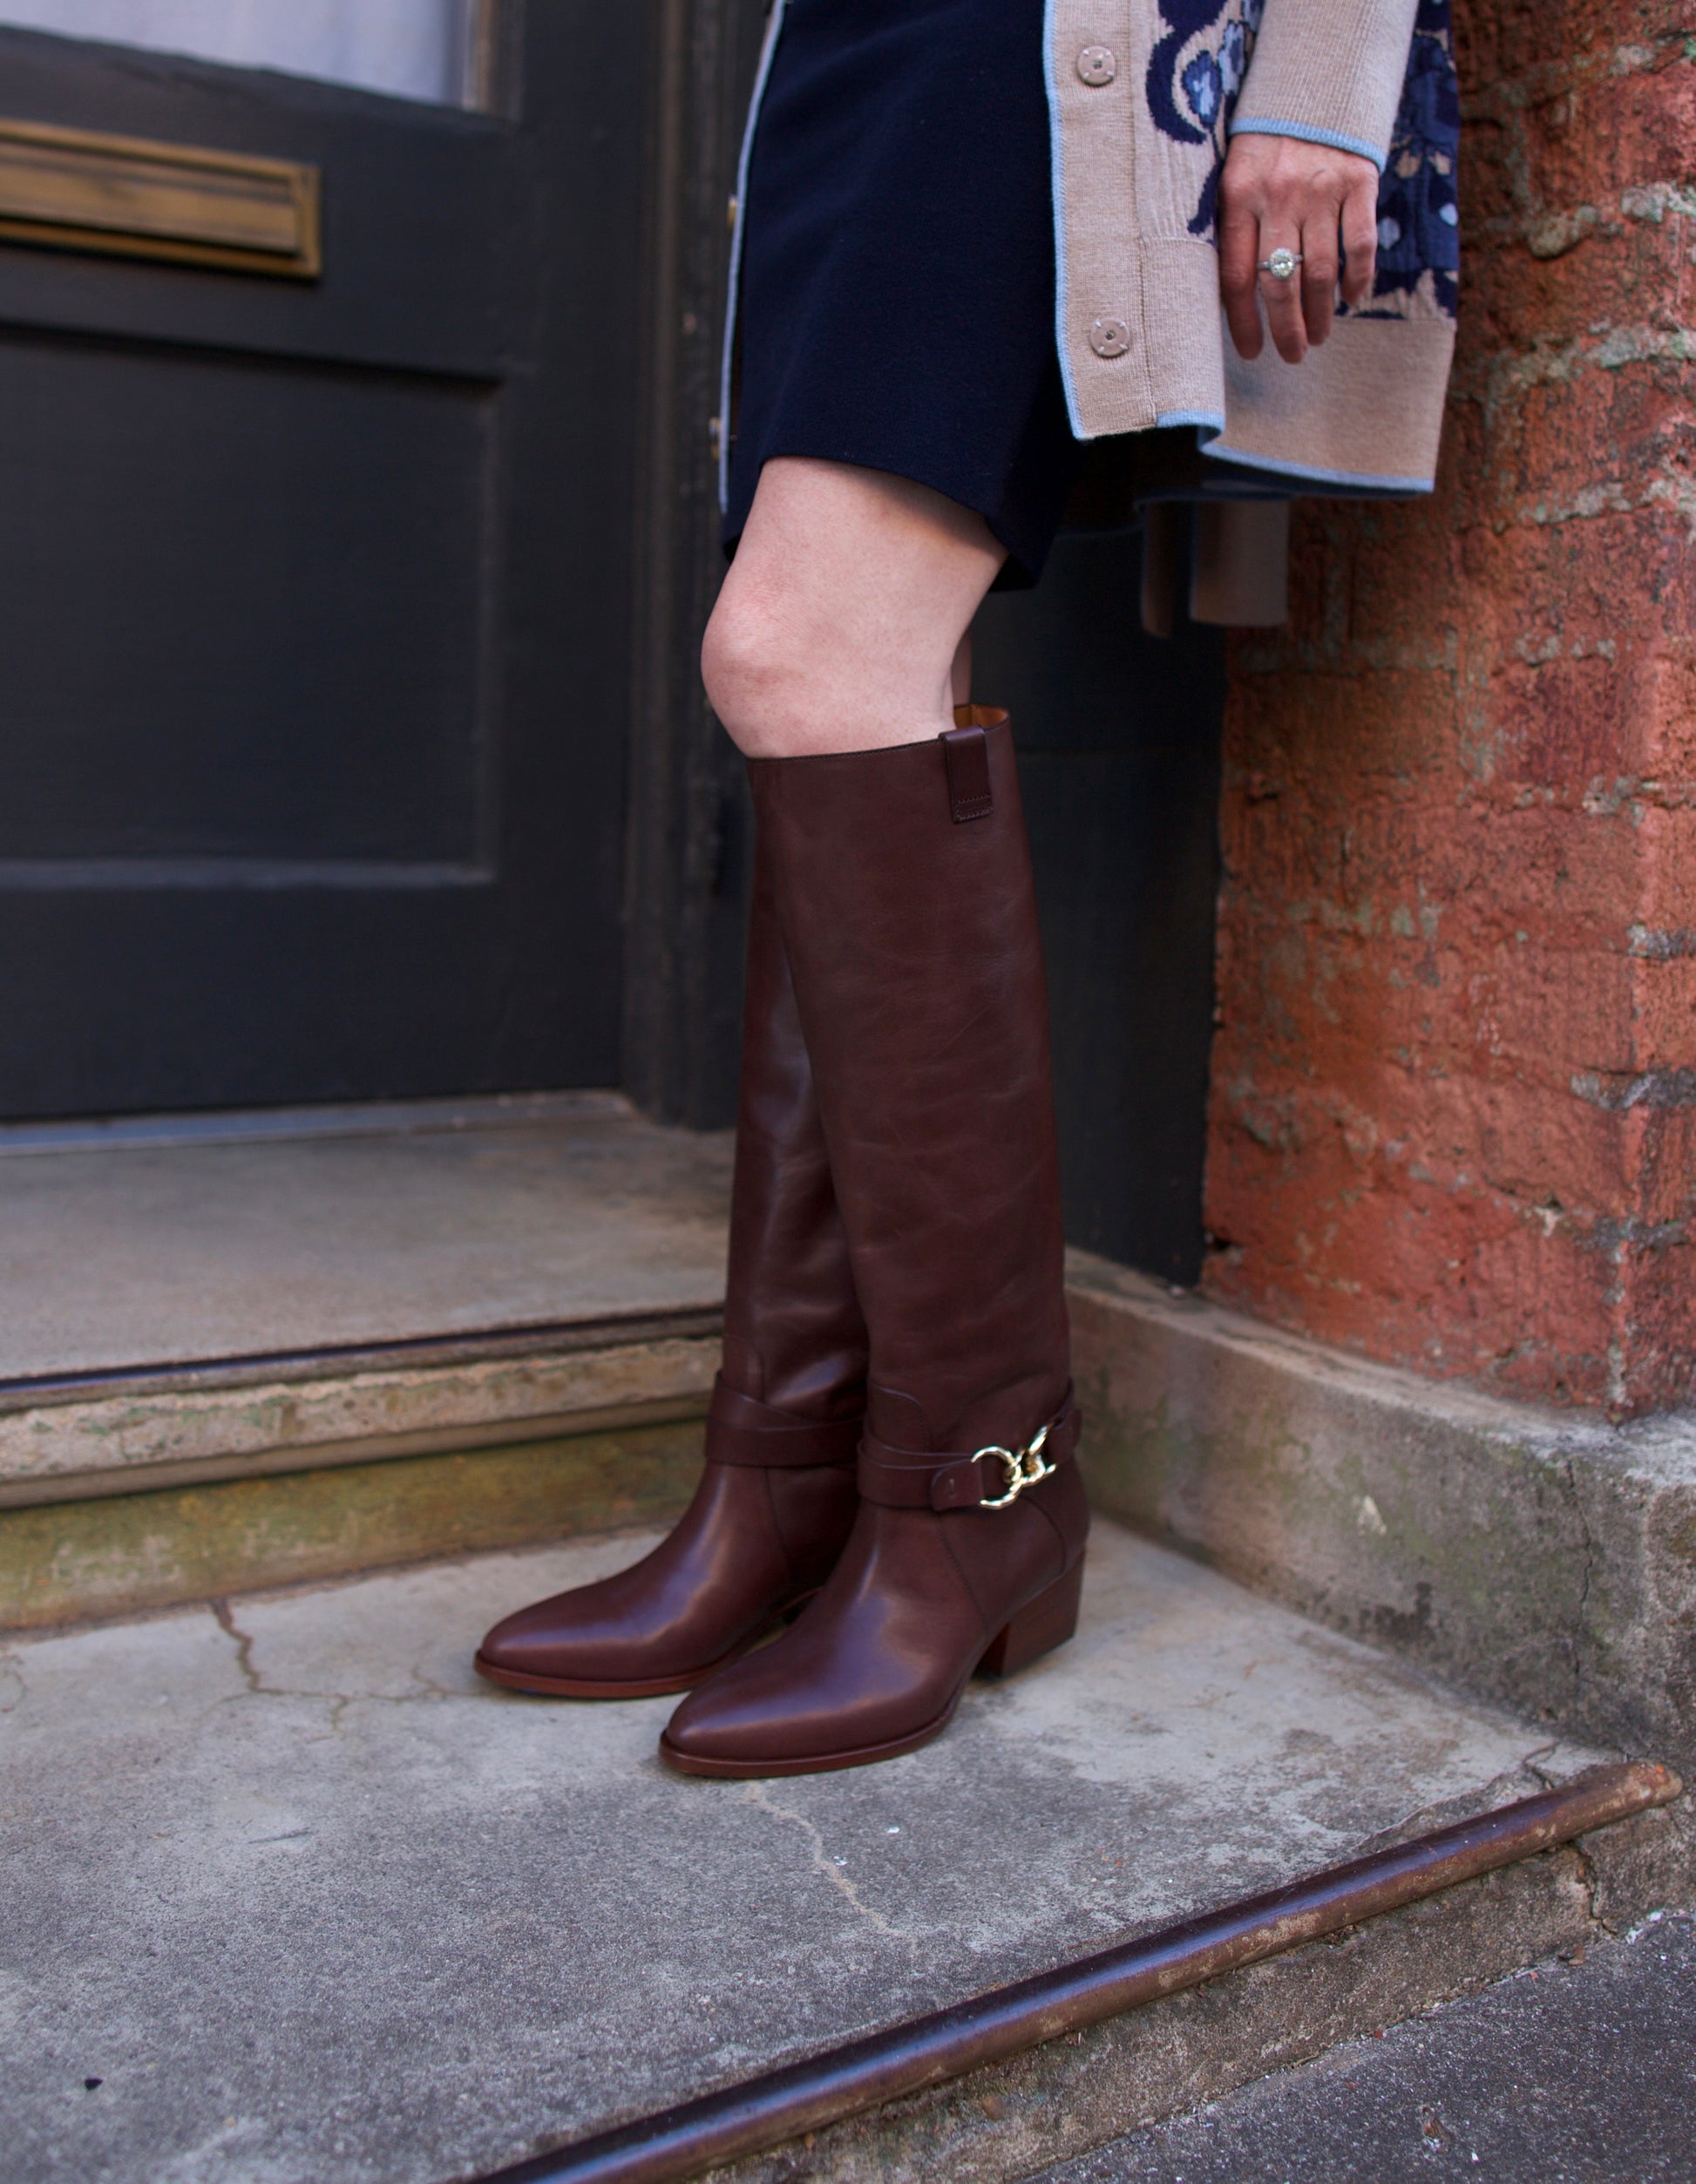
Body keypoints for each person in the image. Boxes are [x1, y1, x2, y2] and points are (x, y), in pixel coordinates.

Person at [477, 0, 1452, 1778]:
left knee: (796, 654)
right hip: (852, 48)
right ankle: (789, 1473)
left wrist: (1318, 80)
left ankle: (978, 1482)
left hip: (1026, 35)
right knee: (851, 697)